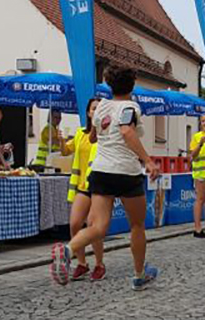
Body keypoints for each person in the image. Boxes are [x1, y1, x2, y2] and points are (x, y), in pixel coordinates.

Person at [50, 65, 160, 290]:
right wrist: (147, 160)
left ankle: (68, 250)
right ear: (132, 85)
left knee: (99, 227)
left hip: (100, 170)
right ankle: (139, 275)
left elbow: (92, 136)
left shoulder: (100, 108)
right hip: (126, 171)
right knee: (137, 225)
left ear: (110, 85)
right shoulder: (130, 107)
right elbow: (127, 131)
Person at [66, 98, 106, 282]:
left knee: (93, 226)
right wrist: (60, 141)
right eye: (93, 108)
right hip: (82, 185)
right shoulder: (80, 134)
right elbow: (66, 150)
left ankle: (99, 264)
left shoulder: (106, 134)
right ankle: (82, 263)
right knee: (75, 223)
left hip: (98, 186)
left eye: (99, 108)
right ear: (89, 113)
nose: (96, 111)